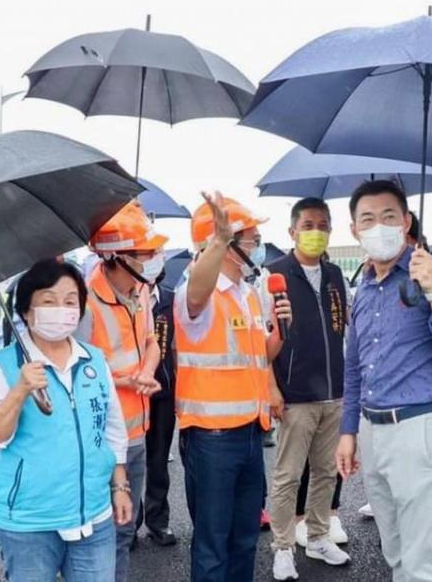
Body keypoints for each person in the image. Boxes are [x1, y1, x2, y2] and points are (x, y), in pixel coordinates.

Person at [335, 180, 432, 582]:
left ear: (406, 221)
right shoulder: (365, 289)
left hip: (420, 428)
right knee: (394, 549)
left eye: (388, 217)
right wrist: (348, 431)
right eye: (368, 219)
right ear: (355, 230)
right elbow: (355, 366)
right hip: (374, 431)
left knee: (423, 560)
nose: (379, 226)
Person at [0, 259, 133, 582]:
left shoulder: (93, 360)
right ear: (27, 311)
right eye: (48, 301)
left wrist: (120, 486)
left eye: (70, 301)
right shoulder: (0, 367)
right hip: (29, 524)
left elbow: (112, 428)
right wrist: (19, 391)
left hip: (94, 515)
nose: (61, 309)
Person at [174, 191, 292, 582]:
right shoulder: (198, 290)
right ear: (225, 245)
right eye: (251, 239)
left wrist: (281, 331)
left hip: (251, 433)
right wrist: (220, 238)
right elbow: (195, 294)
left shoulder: (247, 293)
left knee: (244, 539)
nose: (258, 246)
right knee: (212, 543)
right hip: (212, 439)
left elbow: (261, 356)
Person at [77, 202, 166, 582]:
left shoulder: (142, 290)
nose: (154, 259)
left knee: (126, 530)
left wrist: (145, 371)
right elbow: (75, 371)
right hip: (102, 440)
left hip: (137, 433)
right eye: (146, 253)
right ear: (118, 257)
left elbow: (151, 341)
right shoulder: (84, 302)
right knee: (102, 534)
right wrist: (125, 380)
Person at [267, 197, 352, 580]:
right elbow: (261, 345)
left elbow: (346, 331)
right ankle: (283, 546)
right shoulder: (274, 277)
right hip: (295, 394)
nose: (316, 232)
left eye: (323, 225)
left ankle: (317, 536)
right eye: (308, 225)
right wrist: (272, 388)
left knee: (326, 471)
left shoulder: (336, 276)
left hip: (335, 392)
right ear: (292, 232)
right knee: (288, 475)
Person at [139, 270, 178, 547]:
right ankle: (127, 523)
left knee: (158, 459)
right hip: (129, 392)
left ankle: (157, 520)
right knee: (127, 460)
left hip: (163, 391)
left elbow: (178, 348)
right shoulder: (124, 299)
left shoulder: (171, 300)